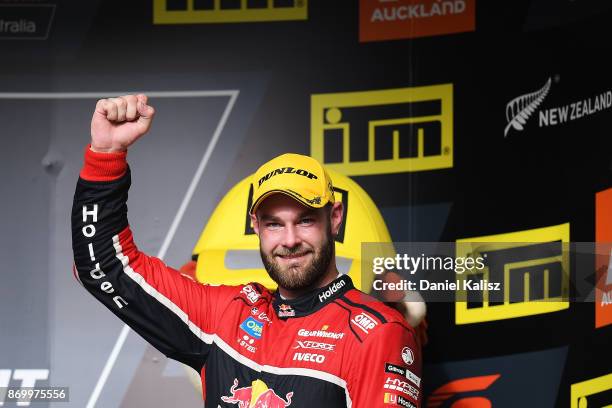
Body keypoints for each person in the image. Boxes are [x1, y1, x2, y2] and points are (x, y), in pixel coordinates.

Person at [71, 94, 422, 407]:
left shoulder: (376, 332)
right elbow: (105, 265)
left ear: (334, 219)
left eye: (305, 221)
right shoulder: (226, 317)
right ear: (256, 225)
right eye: (273, 223)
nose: (289, 240)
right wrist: (107, 154)